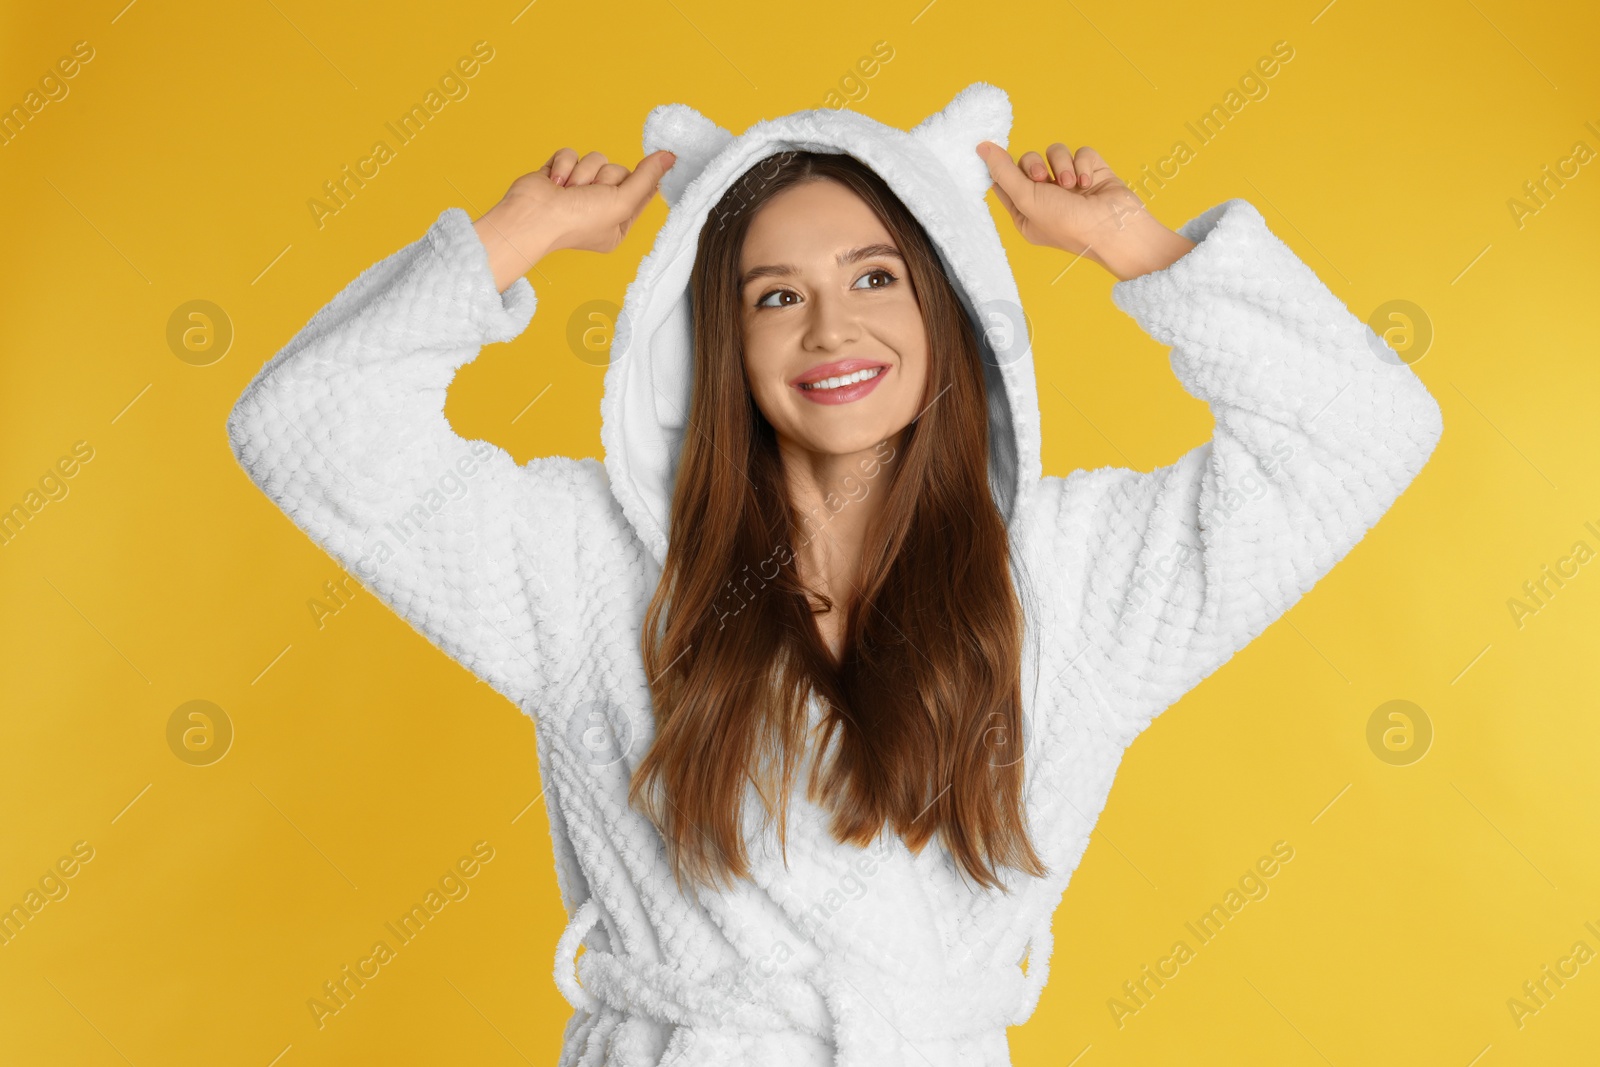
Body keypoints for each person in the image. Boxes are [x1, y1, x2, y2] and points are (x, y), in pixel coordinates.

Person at [225, 83, 1443, 1067]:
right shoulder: (593, 564)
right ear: (717, 341)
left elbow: (1358, 435)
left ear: (949, 307)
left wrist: (1140, 248)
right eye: (775, 295)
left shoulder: (1069, 575)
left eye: (874, 277)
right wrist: (518, 235)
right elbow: (307, 423)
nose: (830, 330)